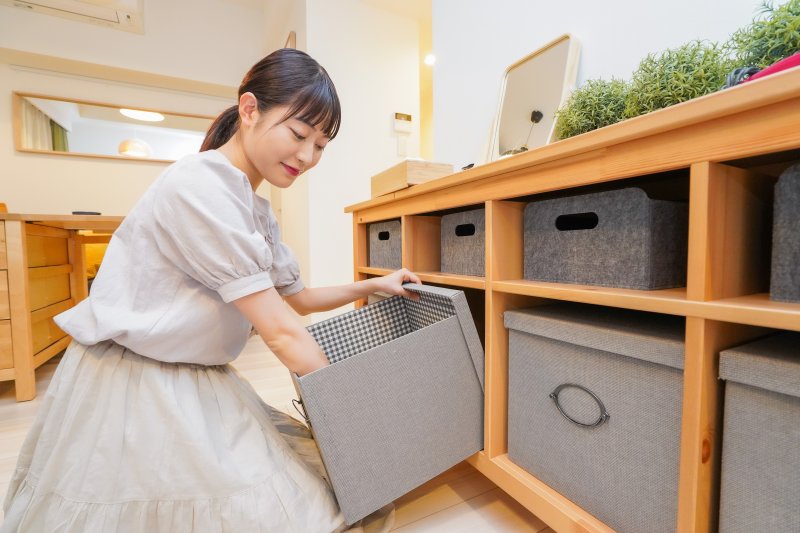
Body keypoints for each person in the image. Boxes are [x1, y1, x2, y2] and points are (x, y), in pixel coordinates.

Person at [1, 48, 420, 533]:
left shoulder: (255, 209)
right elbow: (283, 332)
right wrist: (350, 415)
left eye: (321, 145)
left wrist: (375, 285)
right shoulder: (199, 186)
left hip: (198, 374)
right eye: (299, 134)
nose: (307, 156)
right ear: (249, 111)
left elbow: (298, 299)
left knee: (298, 488)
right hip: (139, 378)